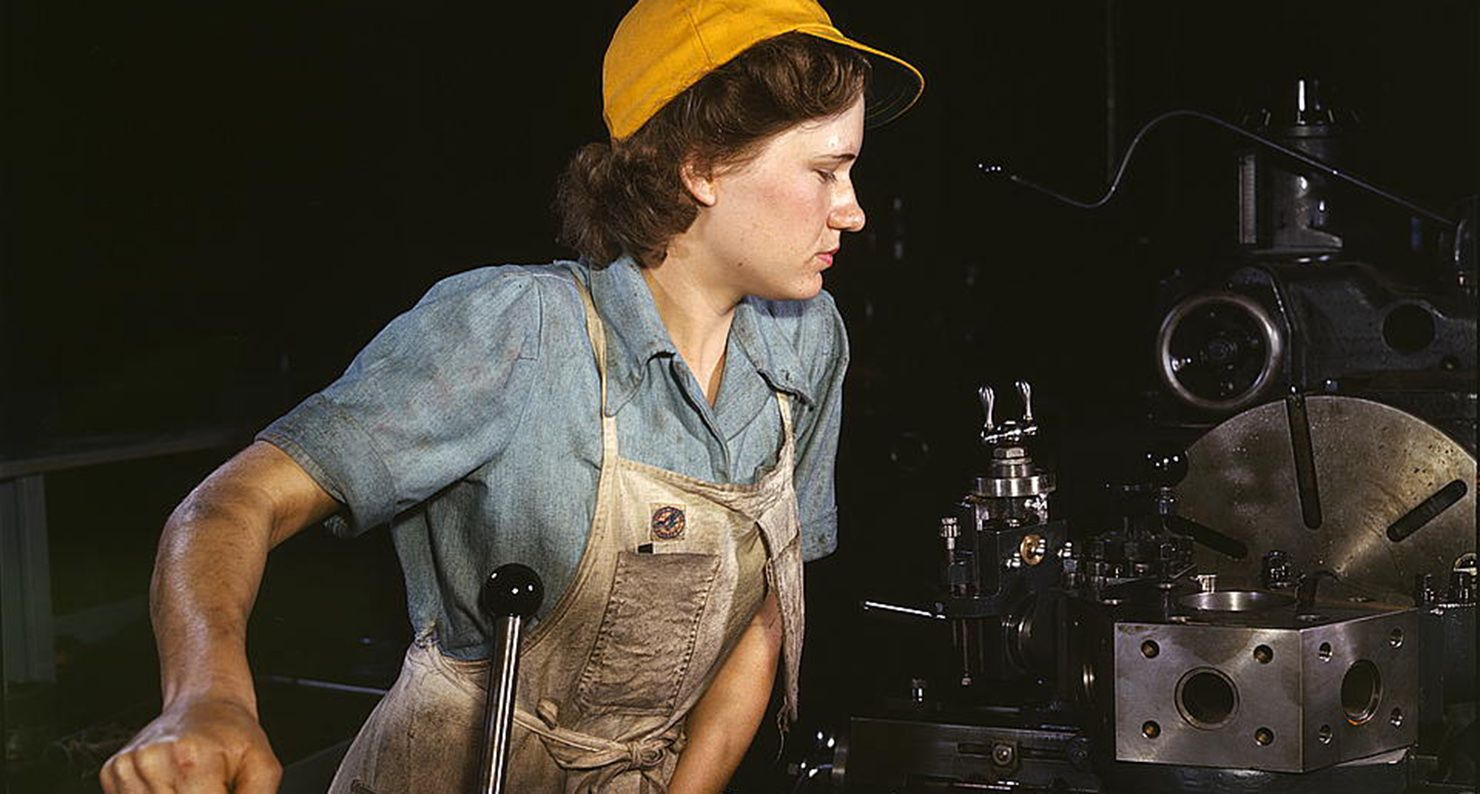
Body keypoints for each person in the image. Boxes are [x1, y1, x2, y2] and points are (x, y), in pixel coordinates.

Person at [100, 0, 921, 791]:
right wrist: (208, 698)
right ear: (702, 167)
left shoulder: (805, 340)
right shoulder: (514, 332)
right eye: (825, 171)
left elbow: (763, 617)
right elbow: (229, 506)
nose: (852, 211)